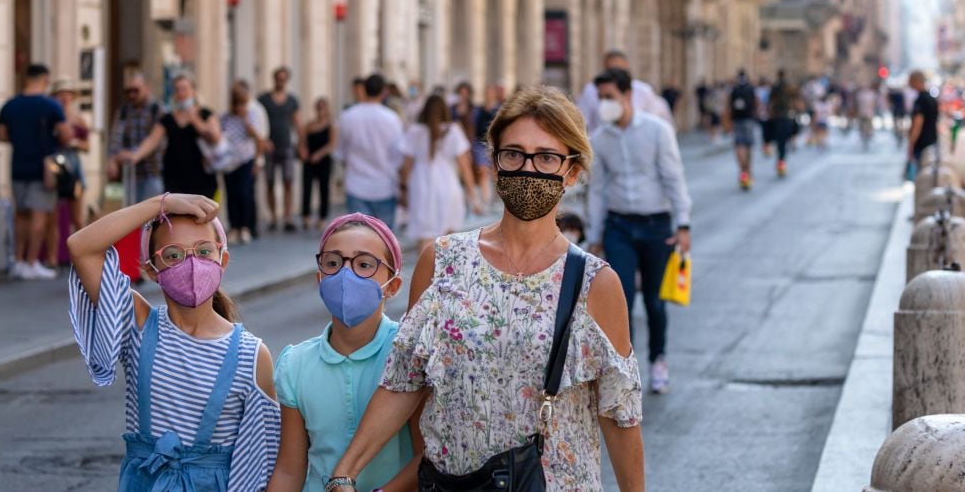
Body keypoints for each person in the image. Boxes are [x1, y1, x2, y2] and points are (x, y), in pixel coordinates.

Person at [328, 84, 644, 491]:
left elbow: (619, 417)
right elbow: (404, 381)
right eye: (513, 154)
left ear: (572, 171)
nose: (527, 168)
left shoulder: (594, 283)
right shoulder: (442, 261)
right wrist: (344, 473)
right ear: (494, 163)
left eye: (546, 157)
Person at [66, 192, 279, 490]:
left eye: (204, 251)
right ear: (152, 270)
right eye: (173, 255)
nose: (191, 263)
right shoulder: (139, 326)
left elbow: (262, 459)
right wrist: (160, 204)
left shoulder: (251, 354)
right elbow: (81, 247)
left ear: (223, 259)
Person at [268, 214, 417, 492]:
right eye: (333, 263)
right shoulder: (295, 364)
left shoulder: (410, 349)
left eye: (364, 265)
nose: (346, 275)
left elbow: (426, 457)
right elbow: (289, 470)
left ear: (393, 285)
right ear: (320, 278)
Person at [587, 68, 692, 395]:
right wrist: (594, 235)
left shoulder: (657, 131)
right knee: (621, 300)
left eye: (610, 97)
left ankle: (658, 359)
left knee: (655, 303)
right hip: (619, 226)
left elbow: (674, 177)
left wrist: (683, 223)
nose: (605, 104)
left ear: (627, 96)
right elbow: (597, 189)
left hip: (656, 225)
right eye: (601, 98)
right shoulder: (599, 140)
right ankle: (624, 368)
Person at [0, 63, 71, 280]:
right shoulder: (50, 106)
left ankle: (18, 261)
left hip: (18, 165)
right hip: (43, 168)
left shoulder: (9, 105)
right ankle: (32, 262)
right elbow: (66, 135)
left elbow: (2, 135)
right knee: (40, 214)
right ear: (44, 80)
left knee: (20, 215)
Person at [120, 73, 221, 199]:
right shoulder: (168, 118)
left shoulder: (206, 114)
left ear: (193, 91)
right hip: (175, 177)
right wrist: (135, 155)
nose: (181, 93)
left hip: (202, 177)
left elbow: (215, 137)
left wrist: (195, 120)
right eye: (177, 90)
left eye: (184, 89)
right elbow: (152, 140)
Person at [400, 95, 481, 251]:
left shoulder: (415, 131)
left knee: (424, 237)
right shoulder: (453, 130)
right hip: (448, 186)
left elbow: (406, 165)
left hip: (421, 186)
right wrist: (473, 196)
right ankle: (445, 273)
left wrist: (403, 188)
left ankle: (424, 273)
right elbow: (465, 167)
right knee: (448, 238)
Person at [336, 73, 403, 229]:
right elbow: (398, 154)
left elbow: (340, 151)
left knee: (359, 240)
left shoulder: (348, 116)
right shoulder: (391, 118)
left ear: (364, 89)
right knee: (384, 242)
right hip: (385, 185)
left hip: (356, 185)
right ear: (384, 92)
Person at [45, 78, 91, 268]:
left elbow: (87, 146)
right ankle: (52, 258)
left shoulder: (79, 120)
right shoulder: (50, 119)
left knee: (77, 217)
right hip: (55, 169)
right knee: (52, 216)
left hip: (73, 171)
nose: (64, 97)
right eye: (60, 94)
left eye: (68, 94)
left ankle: (84, 256)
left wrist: (76, 143)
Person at [577, 50, 673, 133]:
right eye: (610, 69)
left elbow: (655, 118)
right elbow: (582, 121)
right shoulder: (590, 90)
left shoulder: (644, 91)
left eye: (609, 97)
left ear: (627, 94)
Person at [107, 71, 166, 202]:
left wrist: (134, 155)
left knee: (153, 215)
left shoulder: (157, 109)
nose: (132, 94)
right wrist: (112, 160)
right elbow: (116, 137)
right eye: (128, 91)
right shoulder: (124, 110)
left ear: (147, 88)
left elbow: (155, 139)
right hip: (131, 174)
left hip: (153, 172)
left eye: (136, 90)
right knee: (131, 213)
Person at [259, 66, 304, 232]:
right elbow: (258, 121)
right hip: (269, 147)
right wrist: (263, 141)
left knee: (288, 181)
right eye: (278, 78)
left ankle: (287, 217)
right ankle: (272, 216)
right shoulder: (263, 99)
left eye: (283, 78)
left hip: (286, 146)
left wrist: (301, 144)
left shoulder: (292, 100)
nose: (280, 81)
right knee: (269, 182)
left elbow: (298, 123)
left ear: (287, 80)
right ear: (274, 78)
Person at [221, 81, 264, 244]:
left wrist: (258, 161)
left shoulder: (252, 115)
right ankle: (234, 226)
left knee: (244, 193)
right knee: (231, 194)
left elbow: (259, 139)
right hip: (230, 161)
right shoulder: (225, 117)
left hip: (246, 159)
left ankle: (245, 227)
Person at [302, 98, 336, 230]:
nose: (321, 111)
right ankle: (306, 216)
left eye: (323, 108)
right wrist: (303, 151)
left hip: (324, 160)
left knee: (323, 188)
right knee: (307, 188)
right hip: (309, 160)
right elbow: (302, 141)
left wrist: (319, 154)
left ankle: (322, 217)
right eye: (319, 107)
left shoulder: (331, 126)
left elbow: (332, 144)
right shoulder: (310, 125)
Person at [724, 70, 758, 190]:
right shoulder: (751, 89)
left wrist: (727, 123)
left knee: (739, 145)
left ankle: (742, 171)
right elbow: (756, 104)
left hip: (737, 121)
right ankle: (748, 170)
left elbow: (728, 107)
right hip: (748, 120)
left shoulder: (734, 90)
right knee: (748, 146)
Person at [473, 84, 505, 207]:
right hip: (480, 144)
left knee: (495, 172)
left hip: (495, 144)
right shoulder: (478, 110)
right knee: (482, 171)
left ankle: (496, 200)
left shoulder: (499, 109)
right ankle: (485, 199)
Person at [768, 70, 800, 176]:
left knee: (780, 141)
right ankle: (782, 161)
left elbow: (770, 102)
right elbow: (796, 100)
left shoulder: (775, 87)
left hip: (778, 117)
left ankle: (780, 161)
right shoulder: (789, 86)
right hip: (787, 117)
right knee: (785, 140)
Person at [907, 70, 939, 168]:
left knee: (922, 172)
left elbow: (917, 124)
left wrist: (911, 143)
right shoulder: (931, 98)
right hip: (932, 140)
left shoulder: (921, 100)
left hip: (922, 143)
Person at [856, 81, 879, 150]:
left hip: (869, 113)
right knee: (862, 126)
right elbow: (858, 104)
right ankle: (863, 136)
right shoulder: (860, 94)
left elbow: (874, 103)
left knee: (869, 126)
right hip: (862, 113)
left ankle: (868, 135)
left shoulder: (872, 94)